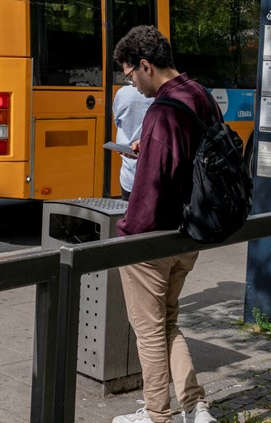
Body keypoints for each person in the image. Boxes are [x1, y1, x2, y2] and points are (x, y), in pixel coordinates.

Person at [111, 26, 217, 423]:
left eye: (130, 74)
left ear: (145, 65)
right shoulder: (200, 95)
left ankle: (157, 415)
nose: (132, 84)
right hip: (193, 230)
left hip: (155, 237)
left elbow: (152, 188)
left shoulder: (162, 109)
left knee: (149, 330)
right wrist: (149, 144)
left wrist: (128, 233)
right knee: (168, 320)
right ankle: (194, 406)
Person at [112, 83, 153, 200]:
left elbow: (118, 121)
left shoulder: (122, 93)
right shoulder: (162, 94)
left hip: (129, 176)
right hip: (155, 179)